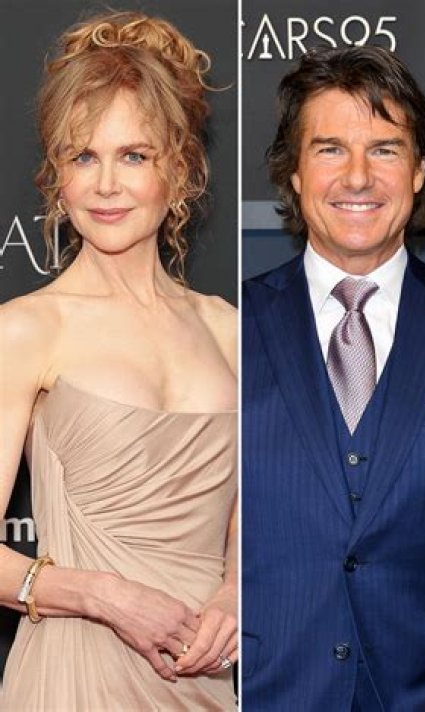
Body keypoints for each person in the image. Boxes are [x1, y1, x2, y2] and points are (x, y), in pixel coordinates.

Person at [0, 11, 238, 710]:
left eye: (134, 156)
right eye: (83, 157)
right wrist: (103, 595)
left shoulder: (228, 330)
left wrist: (236, 589)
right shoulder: (27, 329)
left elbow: (248, 519)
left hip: (200, 678)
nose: (106, 184)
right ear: (57, 176)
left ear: (180, 170)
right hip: (74, 676)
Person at [242, 46, 425, 710]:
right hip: (271, 691)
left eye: (384, 150)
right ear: (293, 173)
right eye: (329, 150)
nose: (357, 177)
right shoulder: (228, 327)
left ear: (420, 170)